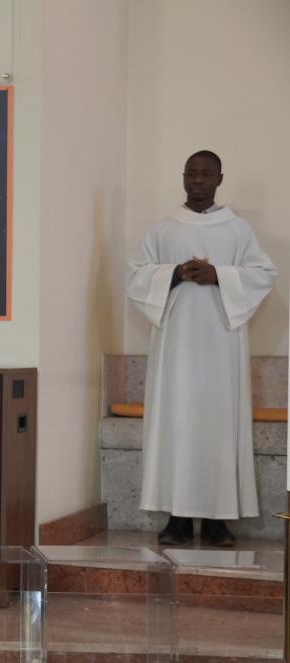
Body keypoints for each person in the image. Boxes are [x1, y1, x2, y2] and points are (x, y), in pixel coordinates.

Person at [127, 150, 276, 547]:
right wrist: (175, 273)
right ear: (183, 177)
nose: (197, 180)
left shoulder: (238, 230)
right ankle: (176, 519)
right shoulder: (163, 229)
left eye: (206, 174)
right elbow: (135, 275)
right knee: (176, 423)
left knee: (218, 426)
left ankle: (216, 521)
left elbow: (264, 274)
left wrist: (219, 275)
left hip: (221, 346)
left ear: (219, 179)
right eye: (191, 173)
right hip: (175, 347)